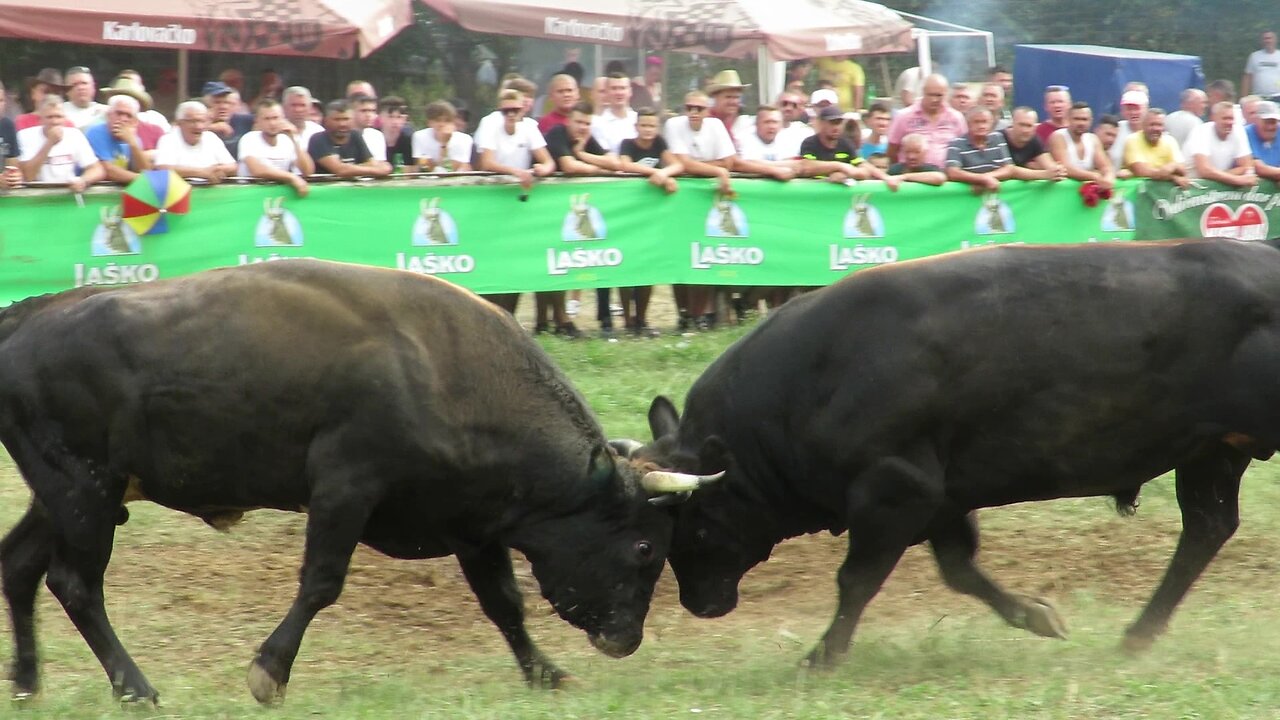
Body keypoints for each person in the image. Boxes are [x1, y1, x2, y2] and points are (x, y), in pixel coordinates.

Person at [476, 89, 556, 322]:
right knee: (494, 260)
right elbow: (487, 162)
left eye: (515, 110)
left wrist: (543, 169)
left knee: (521, 258)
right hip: (492, 199)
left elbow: (548, 160)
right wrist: (517, 172)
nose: (510, 115)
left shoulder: (529, 127)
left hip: (518, 200)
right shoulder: (490, 124)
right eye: (506, 111)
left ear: (523, 109)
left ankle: (524, 318)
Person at [545, 101, 622, 337]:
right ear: (568, 120)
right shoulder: (557, 132)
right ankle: (554, 319)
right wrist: (593, 166)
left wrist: (582, 153)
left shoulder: (586, 138)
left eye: (587, 123)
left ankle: (588, 317)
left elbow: (614, 163)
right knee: (554, 264)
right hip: (548, 205)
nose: (583, 127)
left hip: (575, 208)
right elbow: (568, 167)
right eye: (578, 122)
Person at [664, 90, 736, 330]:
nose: (693, 113)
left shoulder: (715, 126)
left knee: (705, 255)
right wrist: (716, 170)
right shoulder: (674, 124)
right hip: (680, 198)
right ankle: (684, 314)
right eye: (689, 108)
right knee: (680, 255)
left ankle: (699, 315)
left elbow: (729, 162)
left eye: (699, 108)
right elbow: (682, 164)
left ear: (708, 110)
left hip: (708, 199)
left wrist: (696, 167)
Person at [618, 107, 682, 337]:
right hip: (627, 212)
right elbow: (624, 165)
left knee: (648, 266)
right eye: (643, 125)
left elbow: (677, 165)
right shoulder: (627, 144)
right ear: (636, 127)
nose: (647, 130)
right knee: (625, 266)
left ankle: (642, 318)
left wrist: (664, 175)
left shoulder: (660, 143)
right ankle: (626, 318)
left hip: (651, 215)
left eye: (652, 126)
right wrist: (651, 172)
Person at [16, 95, 105, 192]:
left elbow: (97, 169)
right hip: (35, 194)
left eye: (58, 117)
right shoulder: (26, 136)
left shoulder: (74, 135)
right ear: (41, 119)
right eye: (49, 117)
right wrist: (49, 143)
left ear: (64, 119)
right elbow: (28, 176)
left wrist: (83, 180)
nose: (54, 121)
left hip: (66, 192)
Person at [799, 105, 897, 188]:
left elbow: (863, 167)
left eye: (839, 123)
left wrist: (886, 178)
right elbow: (807, 167)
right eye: (832, 123)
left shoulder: (846, 144)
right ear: (821, 123)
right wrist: (840, 167)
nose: (836, 127)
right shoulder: (810, 143)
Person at [886, 73, 966, 168]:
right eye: (930, 95)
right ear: (923, 92)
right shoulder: (903, 116)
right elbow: (892, 150)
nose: (934, 99)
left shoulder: (956, 117)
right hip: (912, 178)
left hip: (948, 179)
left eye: (939, 95)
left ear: (946, 94)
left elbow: (964, 148)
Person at [237, 99, 314, 197]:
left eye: (276, 118)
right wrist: (292, 177)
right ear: (257, 120)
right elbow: (257, 170)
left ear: (283, 118)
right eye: (267, 119)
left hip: (279, 196)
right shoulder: (249, 138)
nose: (272, 123)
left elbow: (307, 171)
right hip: (250, 195)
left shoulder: (287, 140)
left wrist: (295, 140)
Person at [153, 100, 237, 183]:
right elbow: (163, 169)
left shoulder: (211, 137)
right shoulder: (168, 139)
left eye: (202, 121)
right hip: (182, 190)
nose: (199, 126)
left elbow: (233, 166)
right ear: (180, 123)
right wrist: (203, 172)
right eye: (193, 121)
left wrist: (217, 170)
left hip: (211, 189)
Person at [307, 99, 392, 178]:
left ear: (352, 120)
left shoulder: (355, 135)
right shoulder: (318, 139)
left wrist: (350, 168)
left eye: (346, 119)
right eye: (337, 119)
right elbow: (340, 170)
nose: (342, 124)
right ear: (326, 121)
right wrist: (377, 170)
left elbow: (372, 163)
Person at [1182, 101, 1256, 187]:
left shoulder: (1238, 131)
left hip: (1217, 186)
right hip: (1192, 186)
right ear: (1214, 118)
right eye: (1225, 118)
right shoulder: (1201, 131)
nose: (1229, 122)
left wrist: (1221, 176)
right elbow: (1204, 170)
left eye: (1231, 119)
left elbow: (1247, 166)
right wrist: (1237, 180)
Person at [84, 94, 152, 183]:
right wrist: (141, 178)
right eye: (119, 113)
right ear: (108, 115)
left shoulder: (134, 139)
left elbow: (145, 170)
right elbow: (107, 171)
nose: (123, 119)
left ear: (135, 122)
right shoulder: (96, 132)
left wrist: (133, 144)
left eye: (129, 115)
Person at [944, 107, 1014, 193]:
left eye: (984, 122)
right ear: (968, 124)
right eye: (976, 122)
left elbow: (1009, 168)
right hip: (966, 197)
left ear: (991, 123)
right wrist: (982, 179)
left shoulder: (997, 138)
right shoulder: (956, 144)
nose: (981, 126)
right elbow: (952, 173)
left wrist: (984, 179)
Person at [1048, 102, 1116, 190]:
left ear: (1091, 121)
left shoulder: (1093, 139)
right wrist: (1094, 176)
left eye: (1084, 119)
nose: (1081, 123)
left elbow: (1105, 166)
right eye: (1077, 119)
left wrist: (1108, 178)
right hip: (1060, 193)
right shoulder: (1058, 137)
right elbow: (1065, 168)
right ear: (1068, 119)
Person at [1121, 108, 1189, 188]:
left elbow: (1183, 170)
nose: (1156, 129)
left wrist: (1172, 166)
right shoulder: (1132, 140)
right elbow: (1142, 172)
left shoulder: (1170, 140)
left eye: (1159, 125)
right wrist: (1173, 177)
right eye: (1152, 124)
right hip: (1135, 195)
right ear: (1143, 125)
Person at [1002, 107, 1066, 181]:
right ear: (1012, 123)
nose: (1025, 130)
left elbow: (1048, 164)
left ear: (1035, 127)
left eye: (1029, 126)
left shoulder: (1034, 139)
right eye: (1021, 125)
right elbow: (1009, 170)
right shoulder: (998, 138)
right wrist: (1045, 174)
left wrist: (1057, 170)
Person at [413, 100, 473, 172]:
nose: (442, 124)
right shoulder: (419, 136)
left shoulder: (464, 140)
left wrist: (445, 143)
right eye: (438, 120)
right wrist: (443, 144)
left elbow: (454, 170)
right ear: (429, 122)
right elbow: (426, 166)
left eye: (447, 120)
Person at [201, 80, 254, 159]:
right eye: (217, 102)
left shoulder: (241, 120)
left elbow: (266, 118)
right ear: (206, 107)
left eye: (226, 102)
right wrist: (212, 127)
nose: (223, 107)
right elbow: (179, 126)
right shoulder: (197, 125)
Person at [592, 73, 638, 154]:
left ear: (630, 92)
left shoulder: (638, 119)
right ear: (606, 92)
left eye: (623, 88)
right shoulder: (597, 124)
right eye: (614, 88)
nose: (619, 93)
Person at [706, 69, 754, 148]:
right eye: (728, 97)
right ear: (715, 97)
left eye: (737, 97)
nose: (733, 102)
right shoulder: (708, 122)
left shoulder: (728, 121)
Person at [1108, 89, 1149, 167]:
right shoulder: (1115, 129)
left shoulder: (1153, 131)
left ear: (1146, 109)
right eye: (1129, 109)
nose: (1133, 112)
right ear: (1122, 111)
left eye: (1137, 108)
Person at [376, 96, 414, 169]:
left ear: (405, 118)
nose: (395, 122)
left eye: (399, 117)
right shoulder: (373, 137)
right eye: (390, 117)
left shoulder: (409, 139)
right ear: (380, 117)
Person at [1247, 100, 1280, 180]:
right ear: (1256, 120)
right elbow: (1258, 168)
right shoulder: (1246, 133)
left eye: (1273, 122)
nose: (1270, 127)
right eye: (1267, 122)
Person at [1242, 30, 1280, 98]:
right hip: (1258, 97)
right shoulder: (1254, 56)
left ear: (1275, 40)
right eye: (1265, 38)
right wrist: (1244, 97)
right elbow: (1247, 77)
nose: (1268, 41)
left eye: (1270, 38)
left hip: (1278, 96)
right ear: (1262, 41)